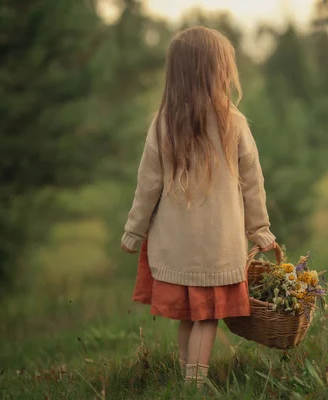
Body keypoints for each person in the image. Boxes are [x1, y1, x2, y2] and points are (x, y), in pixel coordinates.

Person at [120, 26, 276, 388]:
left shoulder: (163, 124)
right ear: (216, 71)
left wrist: (134, 230)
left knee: (188, 316)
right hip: (217, 247)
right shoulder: (232, 122)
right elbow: (253, 181)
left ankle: (186, 377)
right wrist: (259, 228)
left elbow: (147, 186)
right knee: (206, 317)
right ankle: (195, 382)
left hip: (175, 246)